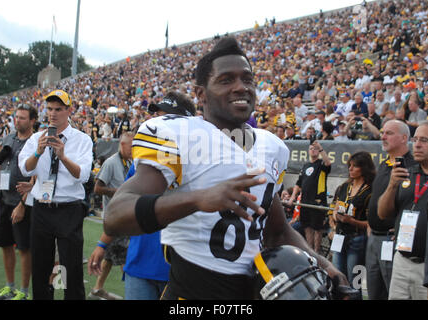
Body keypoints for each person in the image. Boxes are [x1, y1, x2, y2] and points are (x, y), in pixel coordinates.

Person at [103, 37, 348, 300]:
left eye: (247, 79)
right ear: (200, 94)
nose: (240, 87)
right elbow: (115, 215)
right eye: (226, 80)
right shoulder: (179, 134)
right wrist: (198, 198)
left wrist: (327, 267)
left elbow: (277, 231)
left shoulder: (271, 146)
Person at [89, 91, 196, 300]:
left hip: (181, 267)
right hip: (139, 263)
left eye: (165, 116)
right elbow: (123, 205)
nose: (156, 122)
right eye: (156, 116)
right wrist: (103, 244)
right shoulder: (145, 162)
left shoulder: (201, 160)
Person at [18, 89, 93, 300]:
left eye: (58, 109)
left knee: (71, 270)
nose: (53, 113)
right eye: (50, 109)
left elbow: (83, 175)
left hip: (69, 209)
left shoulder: (82, 140)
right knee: (40, 267)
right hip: (42, 207)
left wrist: (63, 156)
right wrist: (38, 152)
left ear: (69, 110)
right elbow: (25, 169)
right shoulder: (35, 139)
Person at [378, 120, 428, 300]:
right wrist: (392, 185)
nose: (417, 144)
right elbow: (383, 213)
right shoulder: (406, 173)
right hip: (402, 260)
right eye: (416, 139)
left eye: (424, 140)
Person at [0, 104, 37, 300]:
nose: (18, 121)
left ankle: (23, 293)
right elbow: (4, 162)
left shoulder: (36, 142)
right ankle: (9, 288)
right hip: (4, 197)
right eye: (16, 117)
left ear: (33, 121)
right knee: (5, 243)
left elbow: (36, 177)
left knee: (24, 248)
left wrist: (22, 204)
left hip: (23, 202)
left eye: (23, 118)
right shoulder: (9, 137)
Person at [366, 120, 414, 300]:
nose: (383, 137)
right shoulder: (385, 164)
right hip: (374, 239)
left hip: (393, 241)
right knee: (374, 292)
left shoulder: (412, 166)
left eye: (389, 133)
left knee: (393, 292)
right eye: (382, 132)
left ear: (404, 138)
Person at [87, 132, 133, 300]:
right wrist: (119, 192)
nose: (134, 149)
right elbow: (97, 189)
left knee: (110, 256)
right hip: (115, 218)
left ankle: (97, 288)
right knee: (126, 256)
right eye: (131, 146)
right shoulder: (112, 162)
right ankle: (133, 292)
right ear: (122, 145)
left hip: (123, 217)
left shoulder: (129, 161)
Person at [331, 152, 375, 290]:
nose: (350, 169)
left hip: (357, 240)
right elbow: (334, 209)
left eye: (354, 166)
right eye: (349, 165)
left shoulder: (370, 191)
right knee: (338, 277)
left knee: (355, 282)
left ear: (364, 168)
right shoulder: (344, 187)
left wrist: (352, 221)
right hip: (339, 236)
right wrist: (335, 219)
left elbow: (371, 223)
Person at [288, 141, 331, 254]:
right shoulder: (306, 165)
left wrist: (321, 148)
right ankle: (309, 250)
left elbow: (328, 163)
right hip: (305, 201)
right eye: (311, 148)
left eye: (315, 148)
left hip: (317, 201)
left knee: (317, 228)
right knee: (307, 226)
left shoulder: (321, 164)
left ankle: (316, 252)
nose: (313, 150)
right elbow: (299, 183)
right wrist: (293, 197)